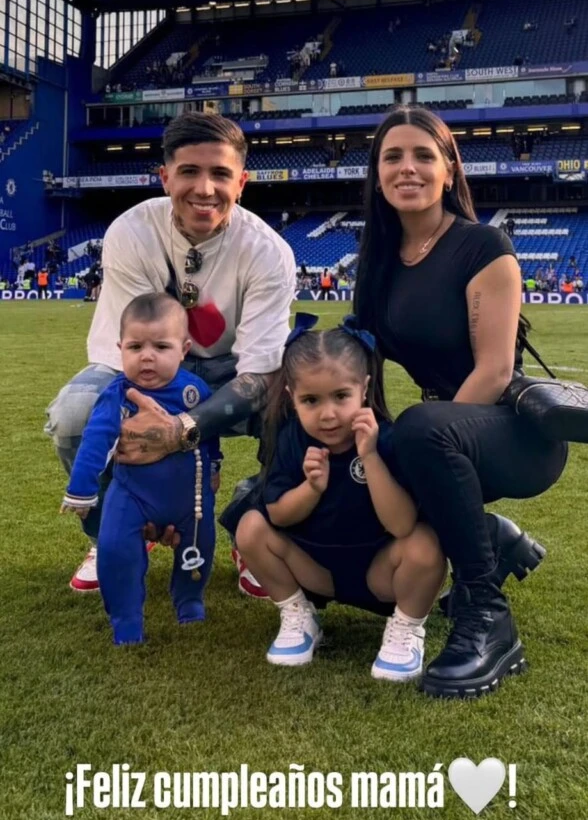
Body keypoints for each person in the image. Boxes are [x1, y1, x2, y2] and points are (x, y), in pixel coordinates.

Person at [353, 105, 568, 699]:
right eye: (393, 157)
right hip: (439, 433)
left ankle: (489, 619)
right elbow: (364, 357)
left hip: (513, 433)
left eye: (424, 155)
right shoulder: (378, 258)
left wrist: (410, 450)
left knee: (418, 432)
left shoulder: (482, 245)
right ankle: (491, 537)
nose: (408, 167)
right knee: (374, 462)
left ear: (449, 169)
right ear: (377, 174)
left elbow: (495, 370)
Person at [45, 112, 296, 596]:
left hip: (231, 371)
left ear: (241, 182)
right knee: (75, 415)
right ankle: (114, 532)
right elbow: (137, 348)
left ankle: (253, 528)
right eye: (189, 172)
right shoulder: (132, 232)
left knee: (303, 412)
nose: (205, 188)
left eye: (220, 173)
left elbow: (260, 374)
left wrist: (183, 430)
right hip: (146, 368)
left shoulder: (268, 251)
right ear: (165, 177)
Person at [232, 314, 446, 680]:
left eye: (341, 396)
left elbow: (401, 525)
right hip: (316, 569)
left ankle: (406, 628)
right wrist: (311, 489)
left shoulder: (387, 438)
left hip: (380, 573)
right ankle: (299, 616)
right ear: (292, 397)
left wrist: (370, 457)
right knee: (250, 527)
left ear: (364, 389)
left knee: (426, 545)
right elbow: (277, 515)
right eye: (311, 400)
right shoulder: (290, 439)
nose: (328, 414)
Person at [61, 294, 221, 644]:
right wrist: (81, 489)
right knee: (116, 551)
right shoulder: (117, 395)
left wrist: (215, 467)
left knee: (200, 546)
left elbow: (209, 436)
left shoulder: (196, 391)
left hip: (190, 498)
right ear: (120, 349)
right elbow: (95, 440)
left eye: (161, 346)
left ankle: (189, 600)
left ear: (184, 349)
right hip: (131, 495)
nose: (147, 356)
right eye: (135, 347)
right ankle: (126, 619)